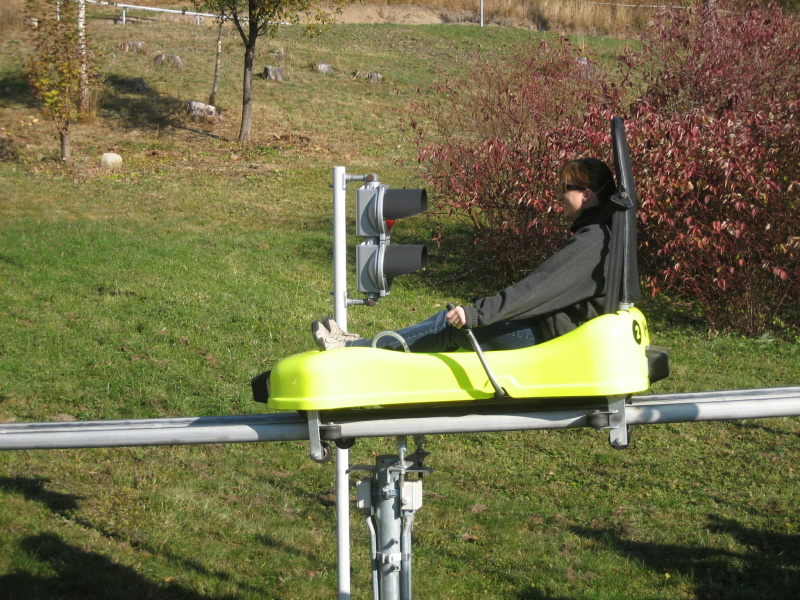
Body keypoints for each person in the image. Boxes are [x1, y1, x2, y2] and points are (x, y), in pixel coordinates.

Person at [312, 157, 616, 353]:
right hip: (561, 337)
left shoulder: (593, 242)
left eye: (565, 188)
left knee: (452, 326)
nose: (559, 196)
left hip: (556, 343)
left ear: (586, 194)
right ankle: (363, 346)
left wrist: (477, 314)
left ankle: (355, 352)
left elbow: (537, 289)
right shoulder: (600, 237)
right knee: (448, 320)